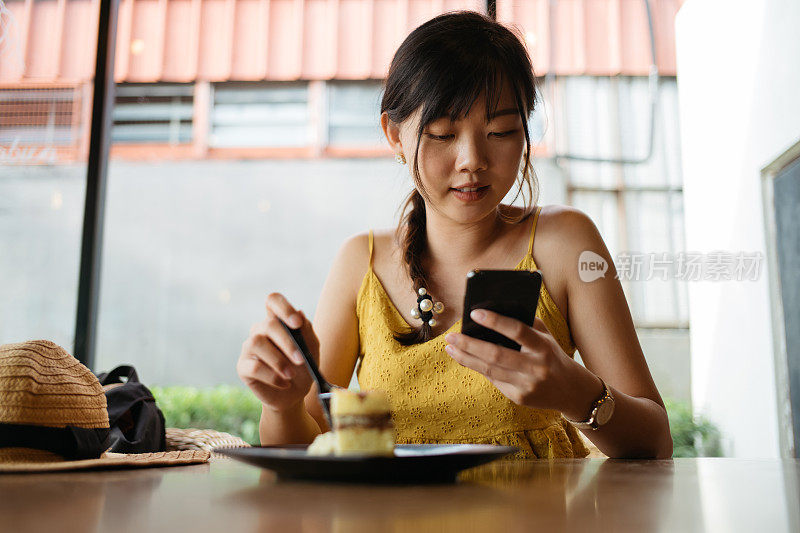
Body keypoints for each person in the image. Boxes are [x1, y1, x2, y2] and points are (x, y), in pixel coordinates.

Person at [237, 11, 672, 459]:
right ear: (394, 135)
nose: (472, 160)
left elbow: (656, 444)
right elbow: (305, 450)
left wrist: (575, 392)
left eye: (500, 131)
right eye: (444, 134)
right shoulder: (360, 264)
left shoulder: (563, 242)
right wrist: (284, 405)